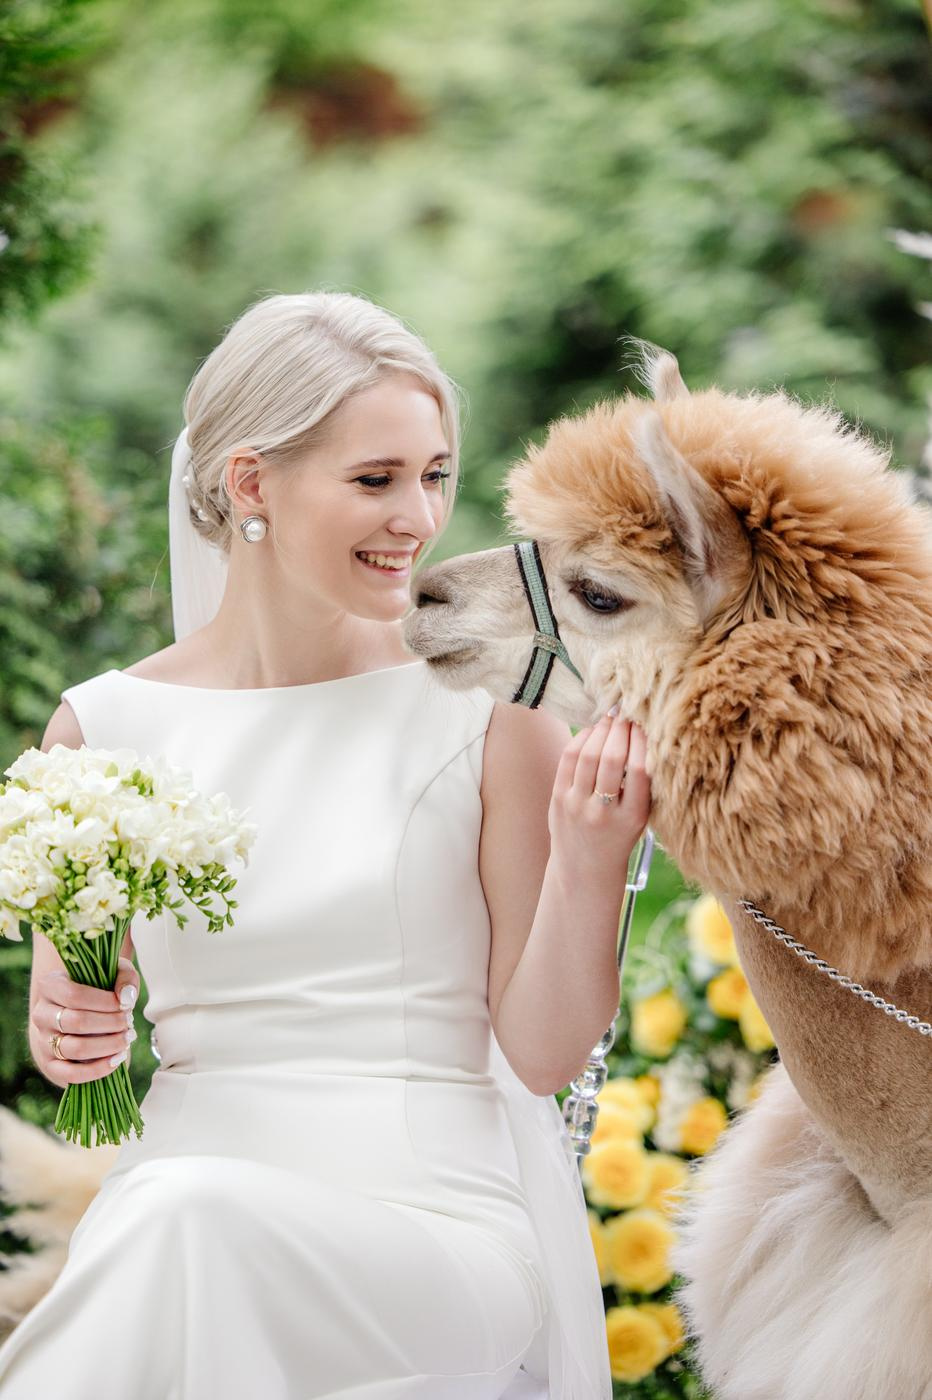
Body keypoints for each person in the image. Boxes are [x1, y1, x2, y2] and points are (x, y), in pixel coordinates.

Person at [0, 291, 650, 1399]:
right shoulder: (99, 729)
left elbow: (540, 1055)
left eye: (433, 473)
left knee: (179, 1219)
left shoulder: (487, 712)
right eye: (374, 478)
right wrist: (71, 1020)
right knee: (180, 1219)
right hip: (179, 1214)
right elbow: (83, 1034)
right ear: (249, 484)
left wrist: (590, 858)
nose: (418, 516)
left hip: (433, 1232)